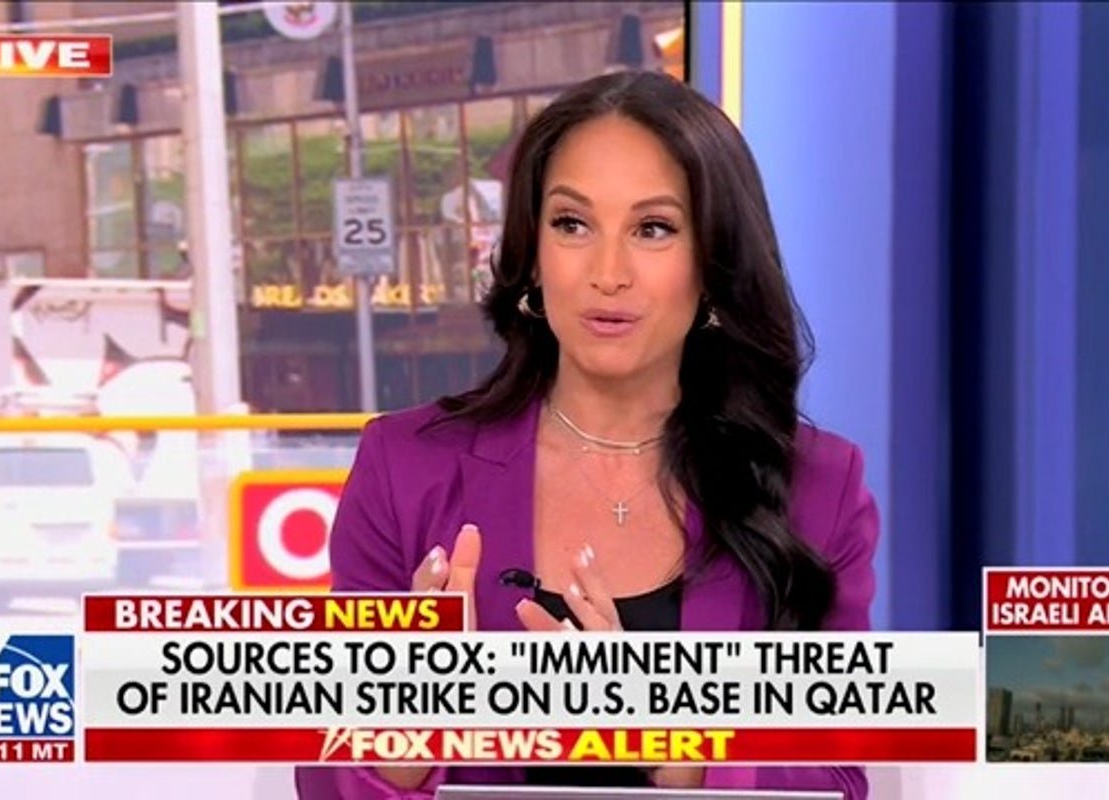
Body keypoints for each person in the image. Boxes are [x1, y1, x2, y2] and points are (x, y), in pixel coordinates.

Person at [296, 68, 878, 798]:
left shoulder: (817, 488)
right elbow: (323, 784)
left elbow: (837, 779)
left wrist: (674, 742)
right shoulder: (406, 469)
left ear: (713, 262)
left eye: (653, 229)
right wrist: (410, 724)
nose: (608, 272)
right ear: (533, 255)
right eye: (572, 224)